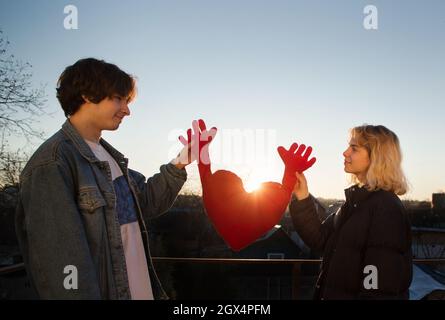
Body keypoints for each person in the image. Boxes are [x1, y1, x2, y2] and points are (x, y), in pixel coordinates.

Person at [15, 58, 197, 299]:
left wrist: (180, 162)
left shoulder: (109, 156)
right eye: (118, 98)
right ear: (88, 95)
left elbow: (147, 203)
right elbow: (63, 266)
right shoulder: (52, 164)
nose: (127, 110)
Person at [290, 125, 412, 299]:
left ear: (376, 157)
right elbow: (320, 239)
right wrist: (302, 197)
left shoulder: (386, 208)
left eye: (354, 148)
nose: (345, 152)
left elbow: (378, 285)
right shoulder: (355, 203)